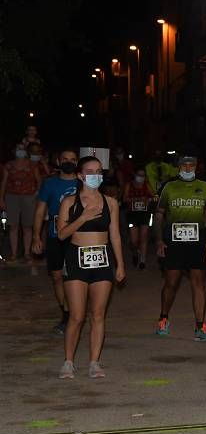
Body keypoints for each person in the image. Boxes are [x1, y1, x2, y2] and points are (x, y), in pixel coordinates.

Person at [56, 156, 126, 379]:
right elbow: (62, 234)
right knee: (77, 316)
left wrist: (120, 264)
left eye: (99, 171)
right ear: (80, 175)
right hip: (77, 258)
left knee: (98, 314)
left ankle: (94, 362)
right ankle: (68, 362)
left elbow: (115, 235)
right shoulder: (69, 202)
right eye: (90, 171)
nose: (96, 175)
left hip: (103, 259)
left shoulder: (110, 202)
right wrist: (83, 216)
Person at [153, 155, 206, 341]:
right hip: (174, 243)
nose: (188, 168)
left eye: (192, 165)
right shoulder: (169, 187)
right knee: (171, 283)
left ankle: (200, 326)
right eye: (184, 165)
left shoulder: (205, 187)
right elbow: (158, 216)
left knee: (198, 283)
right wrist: (159, 240)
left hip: (198, 243)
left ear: (197, 166)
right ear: (178, 166)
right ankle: (163, 318)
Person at [32, 149, 80, 334]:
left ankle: (79, 313)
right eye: (65, 159)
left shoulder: (84, 182)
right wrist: (36, 236)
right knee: (58, 276)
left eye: (73, 160)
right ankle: (66, 314)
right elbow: (39, 212)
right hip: (55, 236)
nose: (69, 162)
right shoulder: (49, 184)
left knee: (77, 278)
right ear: (58, 161)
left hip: (79, 237)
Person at [1, 142, 43, 261]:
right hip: (11, 197)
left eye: (22, 149)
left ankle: (27, 253)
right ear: (14, 151)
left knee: (27, 226)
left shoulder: (32, 165)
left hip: (29, 198)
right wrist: (1, 199)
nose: (20, 151)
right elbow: (4, 182)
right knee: (13, 226)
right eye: (18, 149)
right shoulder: (9, 165)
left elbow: (39, 181)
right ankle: (14, 254)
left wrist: (38, 195)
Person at [122, 164, 155, 269]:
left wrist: (149, 199)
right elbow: (124, 199)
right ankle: (135, 253)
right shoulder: (129, 185)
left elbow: (154, 197)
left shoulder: (147, 185)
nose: (141, 177)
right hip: (132, 215)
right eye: (139, 175)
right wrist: (135, 199)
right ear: (135, 175)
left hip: (145, 214)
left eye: (143, 175)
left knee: (144, 237)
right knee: (134, 240)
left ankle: (142, 260)